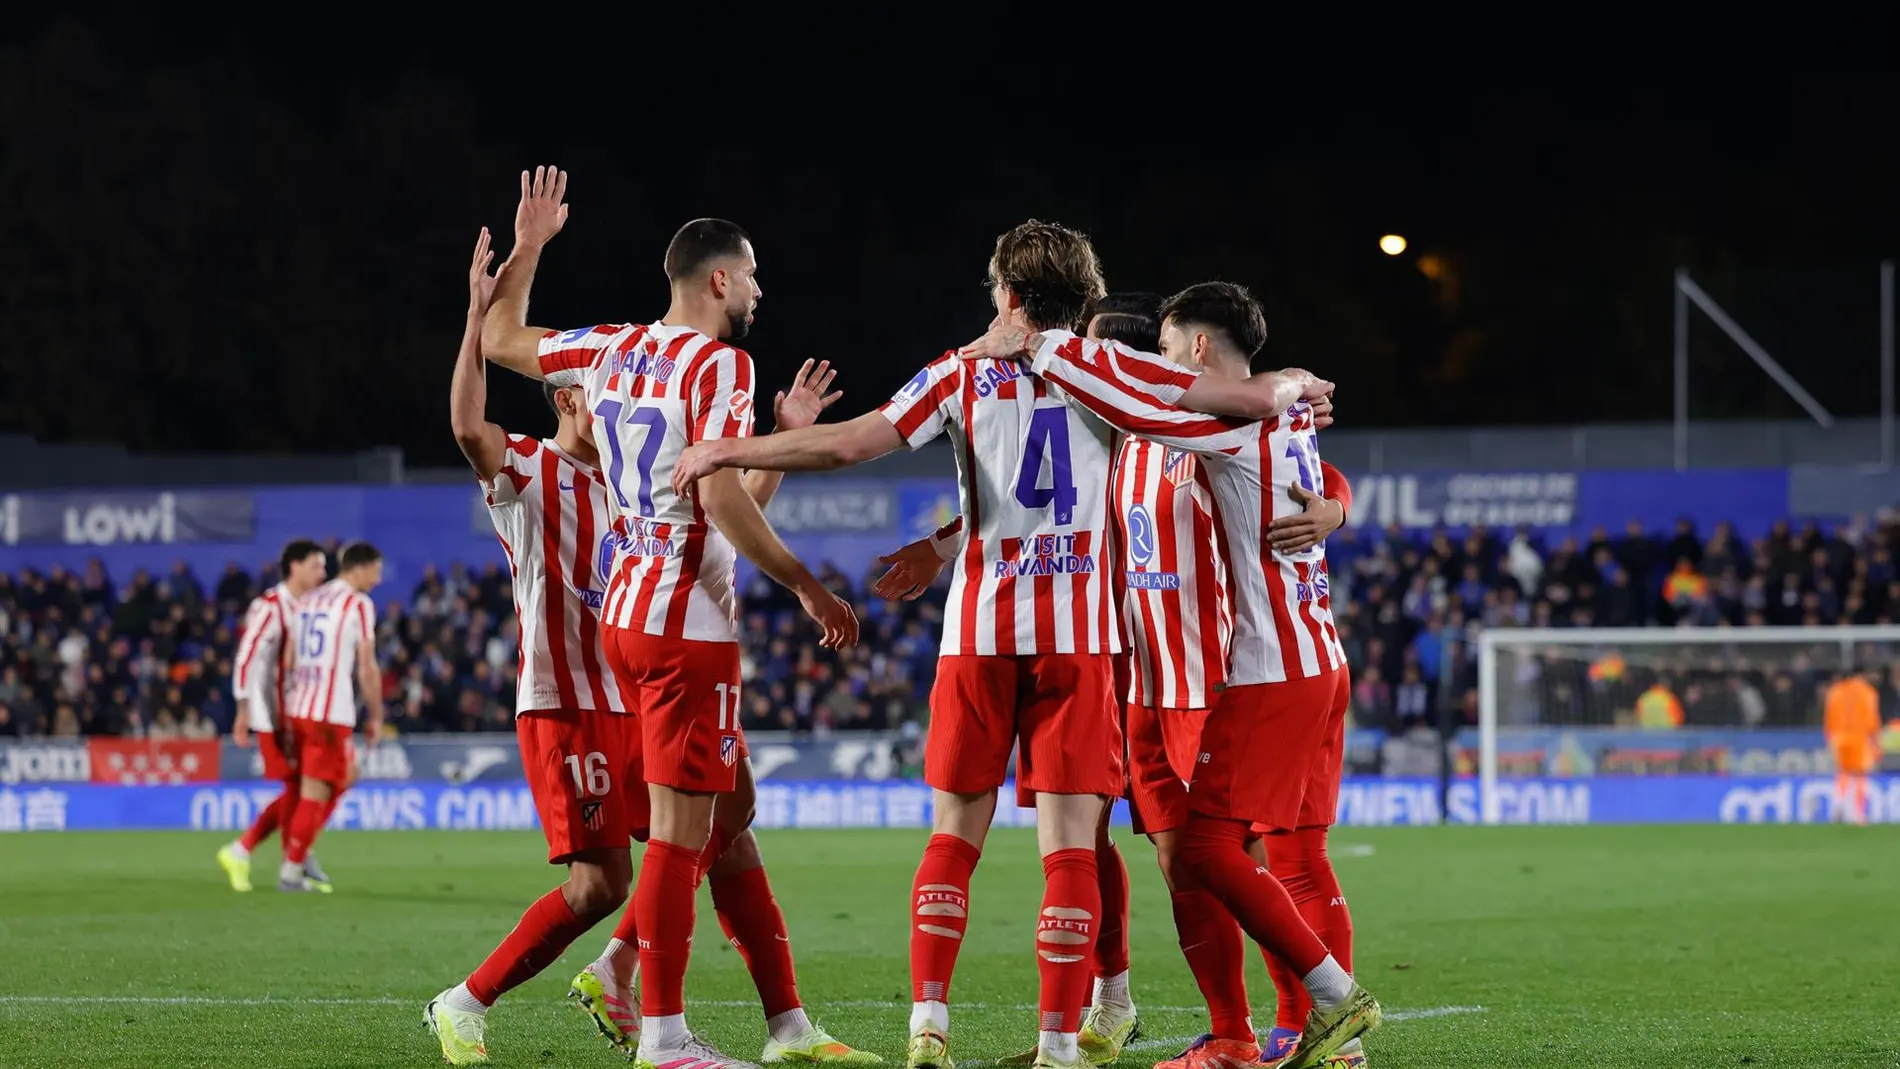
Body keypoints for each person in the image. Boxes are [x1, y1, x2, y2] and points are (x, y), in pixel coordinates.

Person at [875, 305, 1354, 1069]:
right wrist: (942, 544)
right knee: (1147, 854)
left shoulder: (1180, 427)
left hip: (1209, 679)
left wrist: (1333, 502)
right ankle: (1175, 1016)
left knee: (1256, 850)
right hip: (1128, 677)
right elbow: (1029, 506)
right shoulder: (1110, 442)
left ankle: (1311, 1023)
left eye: (1091, 357)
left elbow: (1288, 459)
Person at [478, 168, 864, 1069]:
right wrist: (805, 584)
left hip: (630, 613)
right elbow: (721, 497)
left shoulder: (609, 348)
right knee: (682, 837)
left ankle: (786, 1025)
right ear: (719, 278)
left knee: (732, 812)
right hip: (686, 624)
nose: (760, 290)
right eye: (753, 274)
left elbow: (497, 335)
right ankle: (661, 1033)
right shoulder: (722, 365)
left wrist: (530, 247)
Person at [216, 538, 328, 893]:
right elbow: (246, 657)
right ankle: (261, 853)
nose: (322, 573)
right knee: (298, 784)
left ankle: (288, 859)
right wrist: (242, 709)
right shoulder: (269, 607)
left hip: (300, 711)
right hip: (271, 714)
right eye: (315, 566)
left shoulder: (312, 606)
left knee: (304, 783)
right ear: (295, 566)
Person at [277, 540, 386, 893]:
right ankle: (293, 869)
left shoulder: (309, 599)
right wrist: (376, 714)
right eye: (375, 571)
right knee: (316, 789)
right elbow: (366, 667)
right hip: (329, 712)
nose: (377, 580)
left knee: (344, 776)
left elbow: (288, 658)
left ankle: (300, 847)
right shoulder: (358, 604)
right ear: (359, 568)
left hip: (299, 706)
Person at [1824, 666, 1882, 825]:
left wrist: (1829, 739)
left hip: (1839, 739)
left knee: (1843, 773)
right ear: (1862, 675)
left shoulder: (1835, 691)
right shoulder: (1868, 692)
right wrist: (1876, 743)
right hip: (1859, 738)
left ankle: (1838, 806)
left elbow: (1828, 718)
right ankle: (1857, 814)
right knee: (1860, 775)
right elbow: (1872, 720)